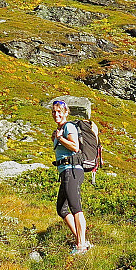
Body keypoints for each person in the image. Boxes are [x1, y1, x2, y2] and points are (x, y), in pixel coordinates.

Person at [50, 99, 92, 255]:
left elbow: (75, 147)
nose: (56, 114)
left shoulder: (69, 127)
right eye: (54, 112)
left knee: (76, 208)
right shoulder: (59, 129)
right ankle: (81, 241)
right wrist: (57, 137)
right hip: (65, 171)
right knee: (61, 209)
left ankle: (81, 246)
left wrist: (60, 139)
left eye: (59, 112)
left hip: (72, 170)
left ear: (66, 112)